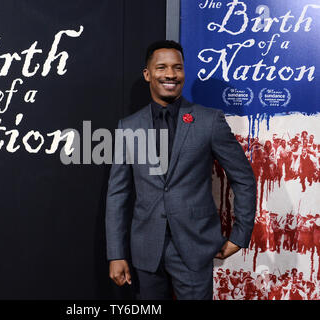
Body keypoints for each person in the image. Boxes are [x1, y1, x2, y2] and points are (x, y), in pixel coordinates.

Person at [105, 40, 256, 300]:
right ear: (148, 74)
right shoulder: (128, 127)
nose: (170, 74)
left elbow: (243, 178)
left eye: (177, 67)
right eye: (161, 67)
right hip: (145, 251)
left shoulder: (209, 121)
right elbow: (117, 194)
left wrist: (240, 234)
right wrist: (116, 253)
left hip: (194, 248)